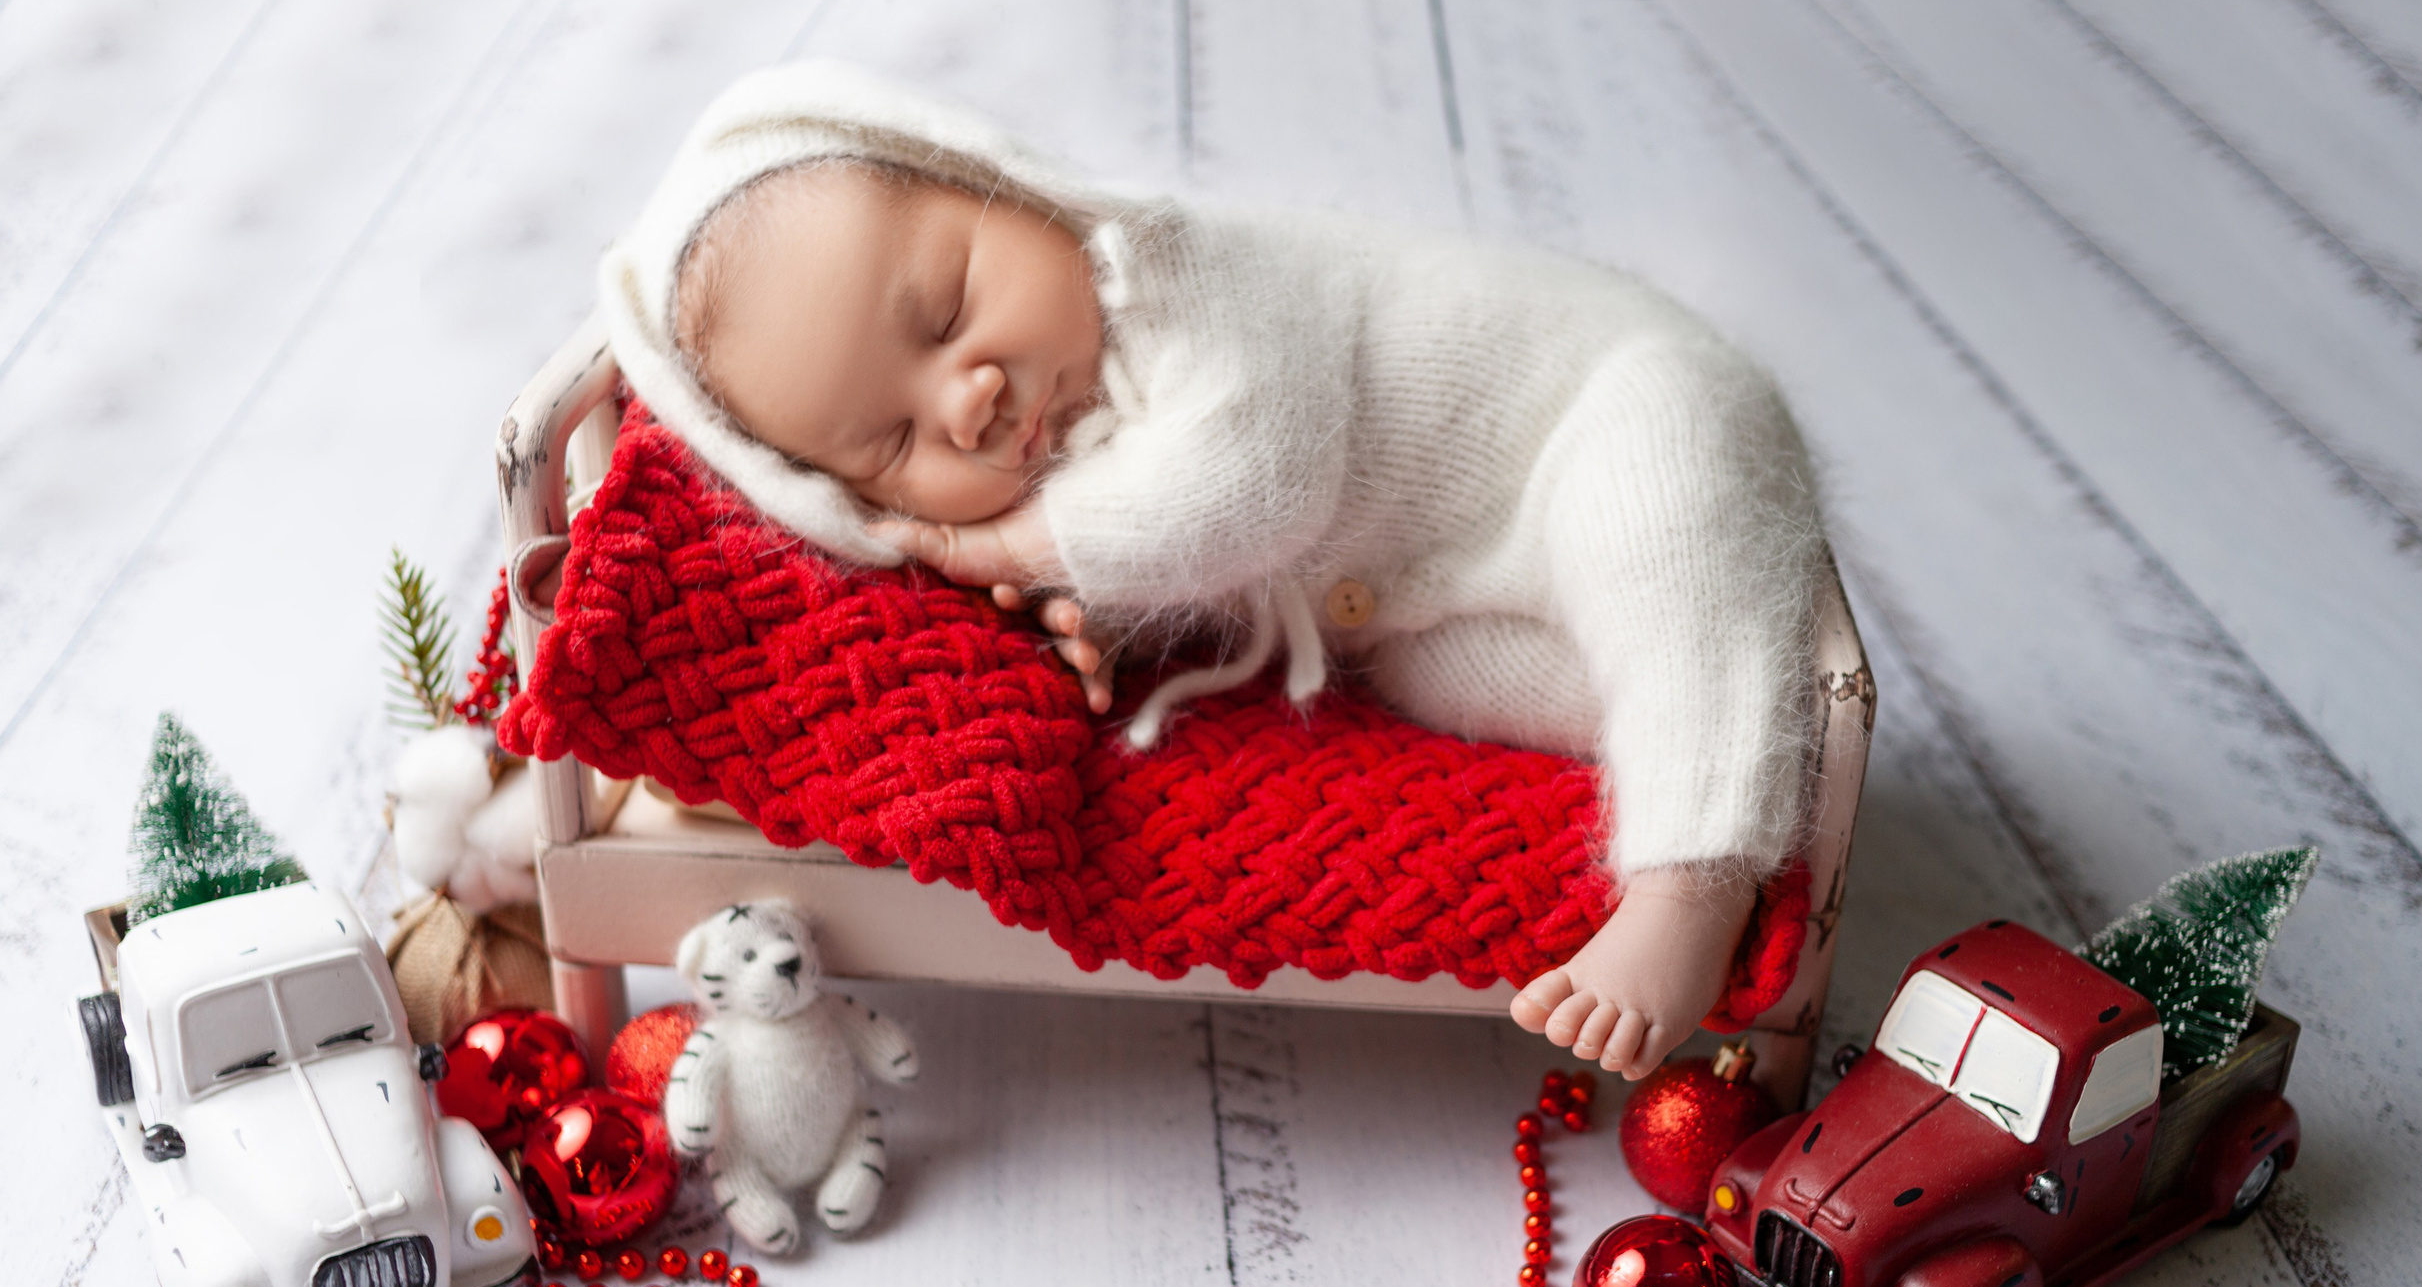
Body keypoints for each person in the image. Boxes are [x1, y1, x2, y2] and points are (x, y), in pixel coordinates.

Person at [601, 63, 1830, 1081]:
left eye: (946, 312)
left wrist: (1007, 549)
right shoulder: (1054, 438)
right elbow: (1177, 557)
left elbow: (1253, 483)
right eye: (895, 443)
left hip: (1596, 411)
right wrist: (1091, 629)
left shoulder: (1174, 270)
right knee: (1530, 686)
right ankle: (1730, 719)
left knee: (1664, 545)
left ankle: (1688, 882)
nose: (966, 401)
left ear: (1005, 189)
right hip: (1431, 590)